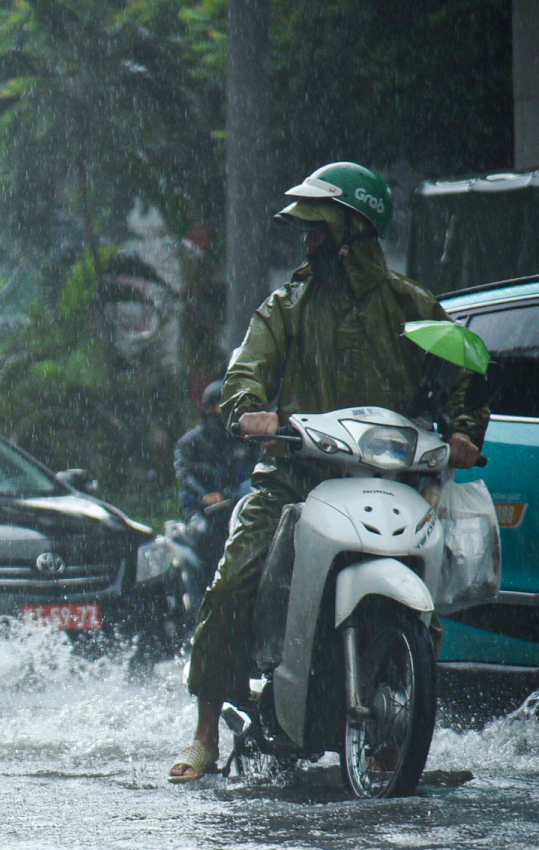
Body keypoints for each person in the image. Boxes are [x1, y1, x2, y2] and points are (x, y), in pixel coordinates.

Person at [168, 162, 485, 782]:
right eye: (305, 227)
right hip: (294, 476)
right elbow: (246, 371)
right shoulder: (287, 306)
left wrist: (467, 428)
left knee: (431, 608)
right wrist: (248, 409)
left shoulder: (413, 307)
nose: (306, 237)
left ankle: (398, 725)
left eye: (318, 225)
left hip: (389, 480)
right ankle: (206, 731)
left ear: (355, 228)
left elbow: (464, 372)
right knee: (232, 584)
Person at [172, 379, 259, 599]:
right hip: (201, 512)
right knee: (203, 540)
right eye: (224, 403)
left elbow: (255, 472)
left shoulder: (243, 440)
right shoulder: (190, 443)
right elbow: (184, 474)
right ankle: (202, 601)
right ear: (211, 407)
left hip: (235, 507)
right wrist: (204, 497)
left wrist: (233, 494)